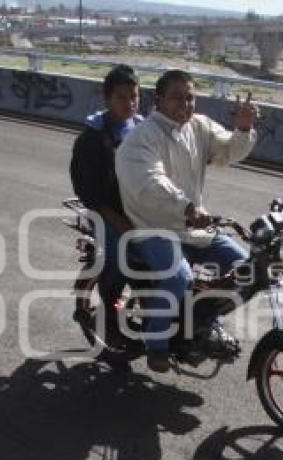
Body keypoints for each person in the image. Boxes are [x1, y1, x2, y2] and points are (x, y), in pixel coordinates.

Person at [115, 69, 259, 373]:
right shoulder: (142, 138)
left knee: (245, 269)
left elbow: (226, 151)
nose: (185, 103)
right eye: (176, 97)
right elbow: (150, 183)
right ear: (159, 99)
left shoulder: (199, 127)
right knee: (179, 278)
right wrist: (188, 207)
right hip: (153, 227)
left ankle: (202, 323)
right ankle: (156, 345)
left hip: (193, 227)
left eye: (190, 97)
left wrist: (243, 129)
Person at [69, 64, 143, 348]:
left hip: (138, 209)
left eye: (134, 97)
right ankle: (110, 318)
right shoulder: (93, 139)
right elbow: (87, 189)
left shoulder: (141, 129)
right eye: (122, 97)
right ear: (107, 99)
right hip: (106, 213)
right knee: (122, 254)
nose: (130, 103)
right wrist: (115, 219)